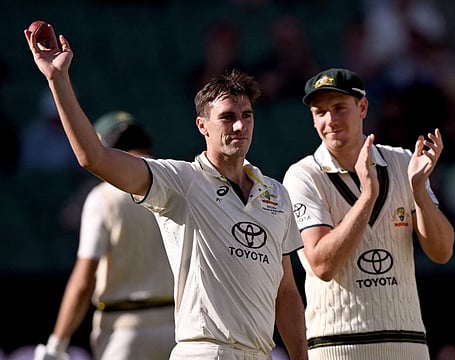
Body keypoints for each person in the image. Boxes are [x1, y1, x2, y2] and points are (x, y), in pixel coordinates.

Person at [24, 23, 308, 359]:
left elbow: (287, 290)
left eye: (246, 116)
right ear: (202, 125)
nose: (239, 126)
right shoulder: (182, 180)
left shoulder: (275, 193)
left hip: (260, 353)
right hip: (203, 352)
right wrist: (58, 80)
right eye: (227, 117)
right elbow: (94, 157)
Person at [282, 68, 455, 359]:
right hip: (338, 346)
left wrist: (419, 191)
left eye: (339, 109)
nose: (330, 121)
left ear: (362, 108)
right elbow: (322, 265)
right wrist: (368, 196)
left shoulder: (402, 162)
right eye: (320, 112)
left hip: (409, 343)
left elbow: (442, 252)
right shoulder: (303, 176)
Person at [34, 110, 176, 360]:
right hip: (181, 332)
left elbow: (83, 281)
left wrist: (56, 345)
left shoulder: (103, 197)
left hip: (124, 336)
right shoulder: (179, 187)